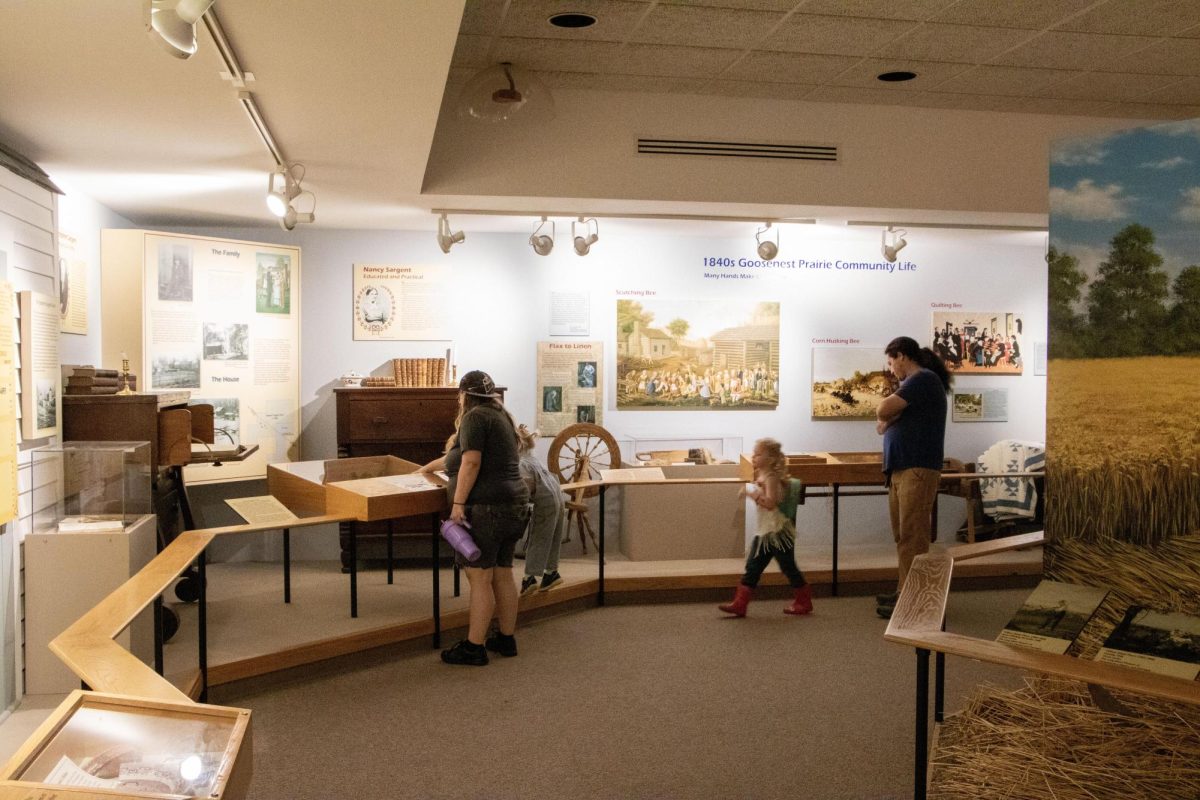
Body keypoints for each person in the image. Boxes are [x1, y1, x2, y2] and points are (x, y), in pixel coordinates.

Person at [418, 370, 530, 666]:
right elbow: (456, 455)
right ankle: (506, 638)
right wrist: (424, 469)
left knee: (479, 577)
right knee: (503, 572)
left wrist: (458, 503)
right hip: (513, 504)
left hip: (487, 509)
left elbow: (470, 461)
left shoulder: (474, 417)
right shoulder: (499, 415)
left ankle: (474, 647)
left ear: (464, 395)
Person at [874, 336, 951, 620]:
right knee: (903, 536)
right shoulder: (913, 386)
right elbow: (881, 427)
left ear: (902, 355)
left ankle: (913, 598)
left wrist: (889, 416)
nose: (891, 367)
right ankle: (903, 591)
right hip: (902, 468)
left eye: (891, 361)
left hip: (917, 469)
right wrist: (890, 417)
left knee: (913, 536)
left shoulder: (922, 380)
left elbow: (882, 412)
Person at [718, 437, 812, 618]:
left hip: (777, 532)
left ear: (770, 459)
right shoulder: (762, 476)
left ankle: (804, 601)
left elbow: (770, 503)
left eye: (758, 454)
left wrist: (751, 493)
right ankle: (740, 603)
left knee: (788, 567)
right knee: (753, 567)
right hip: (765, 533)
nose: (753, 456)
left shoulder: (771, 478)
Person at [515, 424, 566, 596]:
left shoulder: (522, 464)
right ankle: (551, 572)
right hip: (558, 498)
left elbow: (525, 489)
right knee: (553, 536)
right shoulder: (533, 460)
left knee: (539, 537)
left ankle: (529, 578)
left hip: (545, 502)